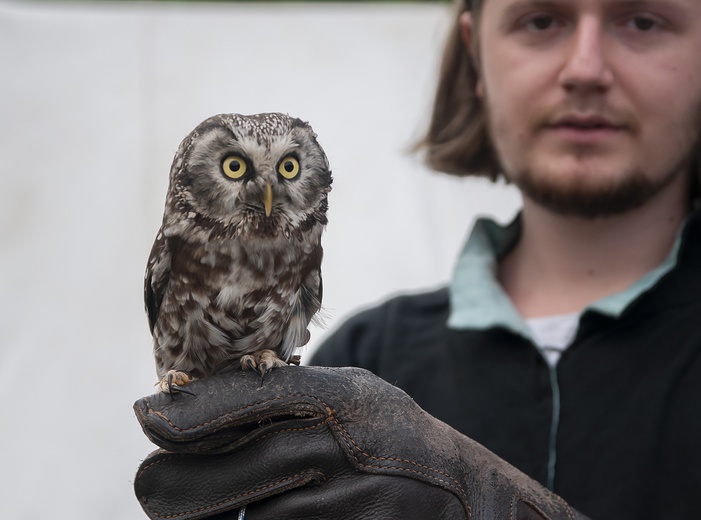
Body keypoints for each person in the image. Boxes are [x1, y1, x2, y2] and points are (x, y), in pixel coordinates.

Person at [134, 0, 701, 518]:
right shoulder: (363, 359)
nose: (585, 68)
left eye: (643, 21)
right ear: (475, 52)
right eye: (542, 20)